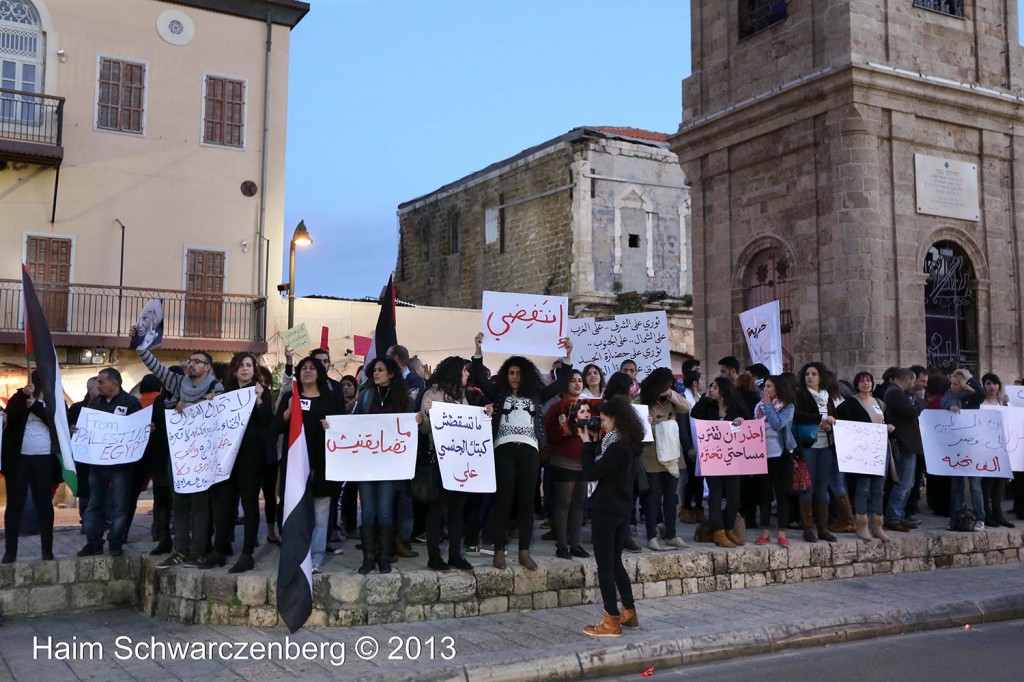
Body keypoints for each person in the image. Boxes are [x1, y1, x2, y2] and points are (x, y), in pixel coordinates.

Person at [471, 332, 572, 570]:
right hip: (503, 450)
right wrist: (478, 350)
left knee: (526, 502)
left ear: (525, 375)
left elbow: (560, 383)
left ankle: (524, 552)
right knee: (503, 501)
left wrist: (568, 355)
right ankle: (498, 551)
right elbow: (479, 377)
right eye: (511, 373)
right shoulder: (498, 393)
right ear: (506, 374)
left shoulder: (536, 394)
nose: (515, 377)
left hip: (529, 452)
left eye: (518, 373)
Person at [139, 341, 225, 569]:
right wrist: (141, 349)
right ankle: (180, 550)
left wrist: (202, 404)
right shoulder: (178, 383)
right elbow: (157, 368)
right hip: (178, 456)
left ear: (208, 367)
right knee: (179, 504)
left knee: (199, 505)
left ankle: (197, 551)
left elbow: (222, 417)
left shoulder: (217, 389)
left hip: (203, 457)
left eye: (197, 361)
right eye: (190, 361)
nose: (191, 364)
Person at [580, 396, 644, 638]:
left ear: (615, 418)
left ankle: (611, 621)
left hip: (606, 509)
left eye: (604, 419)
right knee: (616, 562)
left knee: (606, 566)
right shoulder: (628, 443)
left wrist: (586, 445)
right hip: (621, 508)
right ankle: (629, 611)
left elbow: (592, 471)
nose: (602, 423)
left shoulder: (616, 447)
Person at [418, 356, 489, 571]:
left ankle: (455, 554)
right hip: (440, 460)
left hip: (460, 460)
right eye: (465, 371)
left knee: (458, 509)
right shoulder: (433, 394)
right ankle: (433, 556)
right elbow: (424, 429)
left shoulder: (463, 397)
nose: (468, 375)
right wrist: (427, 413)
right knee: (438, 509)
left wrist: (484, 415)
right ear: (455, 372)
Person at [278, 356, 344, 574]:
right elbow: (276, 427)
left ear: (318, 373)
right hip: (296, 464)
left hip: (323, 463)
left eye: (312, 368)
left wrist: (332, 426)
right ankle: (297, 551)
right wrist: (288, 411)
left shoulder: (329, 398)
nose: (307, 371)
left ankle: (316, 557)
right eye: (304, 368)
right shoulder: (291, 396)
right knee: (297, 509)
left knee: (321, 512)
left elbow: (343, 427)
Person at [210, 353, 274, 573]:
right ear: (234, 370)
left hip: (251, 456)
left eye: (249, 365)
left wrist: (258, 400)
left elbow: (267, 419)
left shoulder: (261, 392)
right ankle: (219, 550)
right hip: (229, 456)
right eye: (241, 365)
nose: (245, 369)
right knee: (225, 503)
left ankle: (247, 554)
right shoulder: (226, 394)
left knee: (249, 504)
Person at [352, 356, 411, 574]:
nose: (376, 373)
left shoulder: (402, 399)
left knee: (384, 511)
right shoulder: (366, 395)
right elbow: (352, 422)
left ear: (391, 374)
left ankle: (384, 557)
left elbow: (408, 426)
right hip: (366, 464)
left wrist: (417, 422)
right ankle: (368, 558)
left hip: (389, 465)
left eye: (380, 370)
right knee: (368, 511)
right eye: (374, 370)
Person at [77, 368, 143, 558]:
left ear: (114, 384)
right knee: (94, 504)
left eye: (100, 381)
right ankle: (93, 542)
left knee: (120, 506)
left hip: (120, 466)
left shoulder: (131, 403)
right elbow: (87, 427)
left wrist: (145, 428)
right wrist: (79, 430)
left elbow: (138, 429)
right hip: (97, 464)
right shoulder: (94, 403)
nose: (97, 385)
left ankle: (116, 542)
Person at [1, 373, 58, 563]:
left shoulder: (54, 400)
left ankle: (47, 550)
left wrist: (36, 407)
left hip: (44, 460)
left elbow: (57, 424)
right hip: (19, 461)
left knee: (44, 504)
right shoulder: (20, 398)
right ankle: (10, 552)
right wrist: (23, 396)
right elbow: (11, 414)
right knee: (15, 505)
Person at [691, 377, 750, 547]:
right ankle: (718, 532)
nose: (712, 390)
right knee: (715, 495)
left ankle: (729, 529)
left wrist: (741, 421)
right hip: (713, 458)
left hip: (733, 459)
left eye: (715, 388)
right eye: (711, 387)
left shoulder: (736, 408)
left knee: (733, 496)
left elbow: (748, 424)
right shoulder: (708, 406)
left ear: (723, 391)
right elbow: (694, 414)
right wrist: (705, 397)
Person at [835, 372, 894, 542]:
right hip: (863, 453)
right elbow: (841, 421)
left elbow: (886, 420)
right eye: (862, 381)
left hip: (880, 450)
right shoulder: (851, 403)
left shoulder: (879, 403)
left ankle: (878, 526)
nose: (866, 383)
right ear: (857, 384)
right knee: (863, 489)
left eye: (868, 380)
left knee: (878, 489)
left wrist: (890, 426)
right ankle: (862, 525)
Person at [637, 367, 689, 551]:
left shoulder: (671, 400)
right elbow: (637, 424)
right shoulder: (642, 400)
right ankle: (651, 535)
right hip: (651, 455)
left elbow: (686, 407)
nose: (667, 387)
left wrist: (671, 393)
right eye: (664, 384)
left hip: (673, 455)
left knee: (671, 497)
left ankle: (671, 534)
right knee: (652, 497)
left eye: (670, 384)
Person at [793, 362, 845, 542]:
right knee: (808, 487)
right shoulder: (800, 395)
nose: (810, 377)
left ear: (821, 377)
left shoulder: (827, 397)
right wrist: (820, 419)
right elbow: (797, 415)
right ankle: (808, 528)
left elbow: (834, 417)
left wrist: (829, 425)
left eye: (814, 374)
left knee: (823, 489)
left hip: (825, 446)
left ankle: (822, 528)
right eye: (807, 373)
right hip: (808, 447)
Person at [544, 379, 592, 560]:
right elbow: (549, 436)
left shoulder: (589, 406)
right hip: (563, 460)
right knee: (563, 503)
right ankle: (562, 545)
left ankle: (576, 544)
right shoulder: (557, 407)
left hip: (584, 460)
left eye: (580, 380)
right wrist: (559, 424)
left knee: (579, 504)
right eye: (572, 381)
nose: (577, 384)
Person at [752, 375, 797, 546]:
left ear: (778, 388)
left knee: (782, 494)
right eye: (765, 386)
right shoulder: (758, 407)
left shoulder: (787, 407)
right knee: (764, 493)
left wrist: (769, 405)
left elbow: (778, 424)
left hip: (780, 455)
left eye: (769, 386)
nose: (766, 390)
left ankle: (782, 533)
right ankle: (765, 532)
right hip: (762, 454)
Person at [942, 369, 986, 532]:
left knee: (975, 486)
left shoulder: (971, 397)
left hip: (972, 447)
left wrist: (970, 378)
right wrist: (951, 406)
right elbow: (944, 402)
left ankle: (980, 518)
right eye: (951, 383)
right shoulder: (949, 397)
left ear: (962, 385)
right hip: (956, 448)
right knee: (956, 486)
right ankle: (955, 519)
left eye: (956, 384)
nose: (952, 387)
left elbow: (980, 394)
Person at [882, 368, 925, 533]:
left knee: (909, 483)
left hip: (908, 443)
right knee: (903, 482)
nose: (913, 385)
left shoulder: (899, 393)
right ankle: (893, 517)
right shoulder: (895, 393)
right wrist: (919, 401)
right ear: (908, 380)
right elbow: (911, 411)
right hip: (903, 442)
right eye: (913, 381)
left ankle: (898, 516)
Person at [980, 373, 1014, 528]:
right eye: (988, 383)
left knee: (999, 483)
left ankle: (998, 513)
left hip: (1001, 448)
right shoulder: (980, 403)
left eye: (994, 384)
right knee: (987, 483)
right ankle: (987, 514)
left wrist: (1009, 404)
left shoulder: (1001, 403)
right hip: (985, 448)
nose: (992, 387)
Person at [679, 370, 706, 524]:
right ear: (695, 382)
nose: (702, 382)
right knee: (692, 477)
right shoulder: (684, 399)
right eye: (700, 380)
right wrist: (689, 447)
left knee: (700, 478)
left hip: (702, 444)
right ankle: (687, 507)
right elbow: (683, 426)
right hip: (690, 445)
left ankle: (699, 507)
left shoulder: (701, 399)